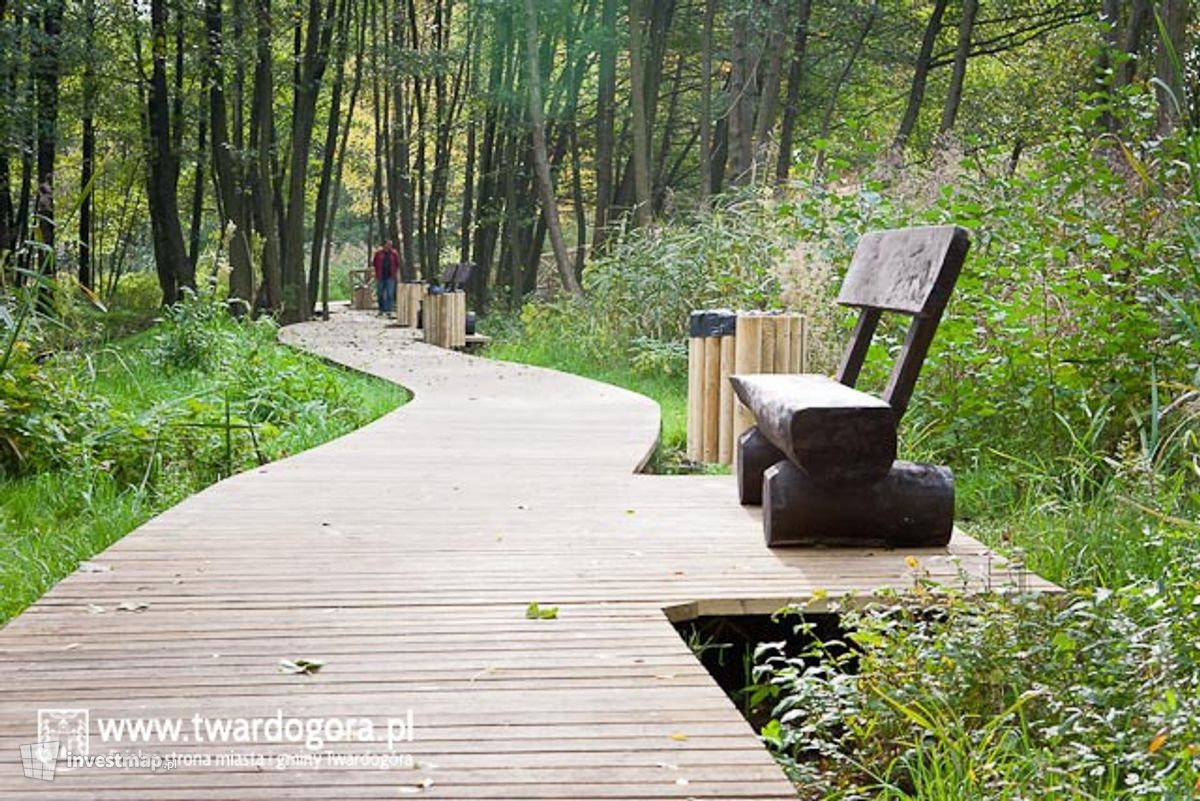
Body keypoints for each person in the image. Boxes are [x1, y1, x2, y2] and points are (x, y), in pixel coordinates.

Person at [371, 240, 400, 314]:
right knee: (380, 293)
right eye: (388, 244)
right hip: (381, 276)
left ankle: (388, 310)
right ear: (384, 245)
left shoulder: (394, 254)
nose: (389, 246)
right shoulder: (378, 253)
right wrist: (377, 271)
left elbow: (397, 263)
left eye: (391, 244)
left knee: (390, 293)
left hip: (390, 276)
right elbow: (374, 263)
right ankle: (381, 309)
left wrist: (395, 272)